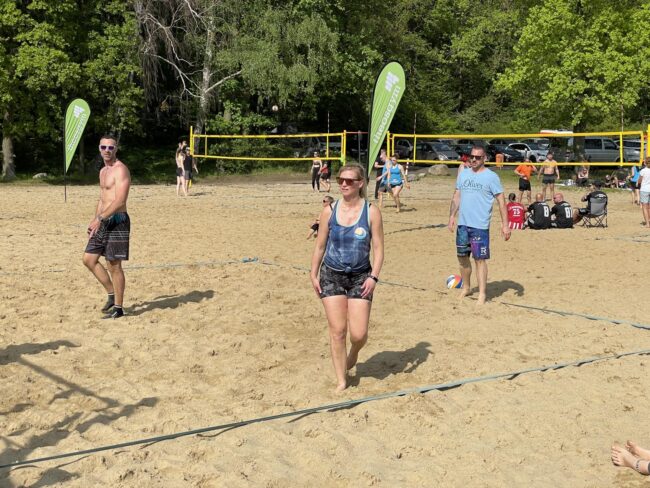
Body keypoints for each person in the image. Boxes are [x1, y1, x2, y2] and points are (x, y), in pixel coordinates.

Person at [310, 163, 384, 391]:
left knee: (359, 334)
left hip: (361, 276)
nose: (343, 184)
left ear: (360, 183)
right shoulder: (329, 211)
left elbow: (379, 249)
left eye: (349, 180)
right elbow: (320, 245)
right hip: (331, 274)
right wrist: (313, 273)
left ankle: (354, 352)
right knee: (338, 331)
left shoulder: (371, 211)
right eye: (340, 180)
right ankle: (342, 380)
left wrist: (373, 277)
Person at [448, 146, 510, 305]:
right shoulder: (463, 174)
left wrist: (505, 225)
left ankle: (482, 294)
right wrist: (452, 216)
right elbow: (457, 196)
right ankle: (466, 287)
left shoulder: (491, 177)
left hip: (480, 226)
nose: (474, 159)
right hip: (463, 224)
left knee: (479, 259)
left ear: (485, 158)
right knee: (462, 257)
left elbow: (501, 201)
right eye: (472, 157)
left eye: (478, 157)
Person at [82, 135, 131, 319]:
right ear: (99, 148)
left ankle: (118, 308)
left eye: (111, 147)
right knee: (89, 259)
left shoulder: (121, 170)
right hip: (102, 220)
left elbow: (120, 201)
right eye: (104, 147)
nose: (107, 150)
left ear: (116, 149)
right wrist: (95, 220)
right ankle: (112, 294)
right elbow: (102, 199)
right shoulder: (103, 171)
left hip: (118, 220)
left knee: (114, 265)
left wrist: (100, 218)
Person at [638, 159, 650, 228]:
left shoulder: (643, 171)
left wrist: (638, 182)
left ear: (645, 163)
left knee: (645, 207)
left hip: (644, 190)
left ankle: (647, 224)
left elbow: (640, 181)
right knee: (649, 207)